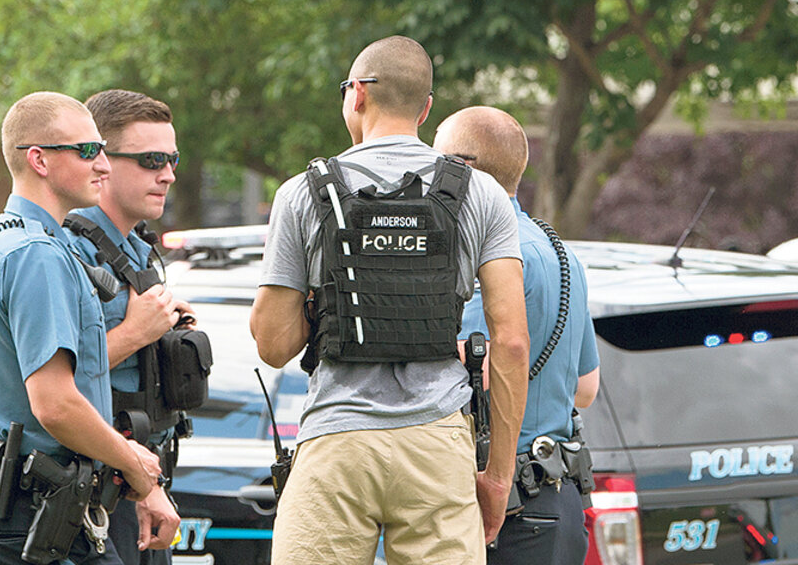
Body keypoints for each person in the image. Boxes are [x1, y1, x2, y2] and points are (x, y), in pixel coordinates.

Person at [250, 36, 530, 564]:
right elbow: (511, 342)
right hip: (438, 442)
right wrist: (497, 477)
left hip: (335, 440)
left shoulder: (302, 194)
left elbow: (272, 344)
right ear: (426, 108)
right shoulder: (483, 194)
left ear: (356, 94)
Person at [0, 92, 164, 565]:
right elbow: (55, 405)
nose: (102, 165)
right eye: (87, 151)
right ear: (39, 160)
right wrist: (135, 466)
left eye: (102, 149)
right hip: (28, 513)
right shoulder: (37, 255)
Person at [434, 106, 600, 565]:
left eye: (435, 165)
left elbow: (475, 372)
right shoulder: (561, 254)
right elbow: (585, 389)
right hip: (556, 499)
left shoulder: (485, 259)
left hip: (500, 505)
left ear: (460, 169)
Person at [66, 89, 187, 565]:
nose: (169, 174)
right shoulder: (67, 252)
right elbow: (49, 387)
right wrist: (136, 332)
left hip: (140, 483)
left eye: (172, 158)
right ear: (102, 161)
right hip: (92, 488)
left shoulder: (138, 249)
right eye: (152, 159)